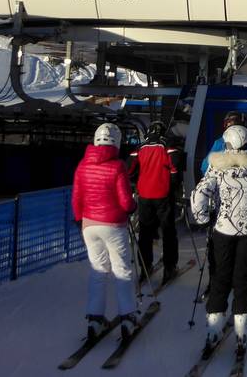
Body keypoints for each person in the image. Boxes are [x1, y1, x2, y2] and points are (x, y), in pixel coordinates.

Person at [191, 124, 247, 358]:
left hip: (223, 231)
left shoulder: (217, 167)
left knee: (220, 277)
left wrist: (202, 217)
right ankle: (241, 332)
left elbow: (199, 194)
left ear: (226, 144)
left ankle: (213, 330)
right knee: (242, 277)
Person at [72, 123, 139, 341]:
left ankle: (95, 318)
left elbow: (76, 197)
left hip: (89, 225)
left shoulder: (83, 165)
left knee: (98, 271)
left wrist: (79, 219)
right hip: (113, 225)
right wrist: (132, 207)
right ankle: (128, 317)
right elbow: (125, 201)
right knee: (121, 270)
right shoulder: (117, 166)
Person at [129, 121, 180, 285]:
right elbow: (175, 167)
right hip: (163, 194)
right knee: (168, 231)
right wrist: (173, 186)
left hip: (144, 195)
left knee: (145, 232)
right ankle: (169, 267)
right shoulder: (166, 145)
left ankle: (145, 267)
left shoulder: (140, 147)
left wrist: (137, 180)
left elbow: (129, 169)